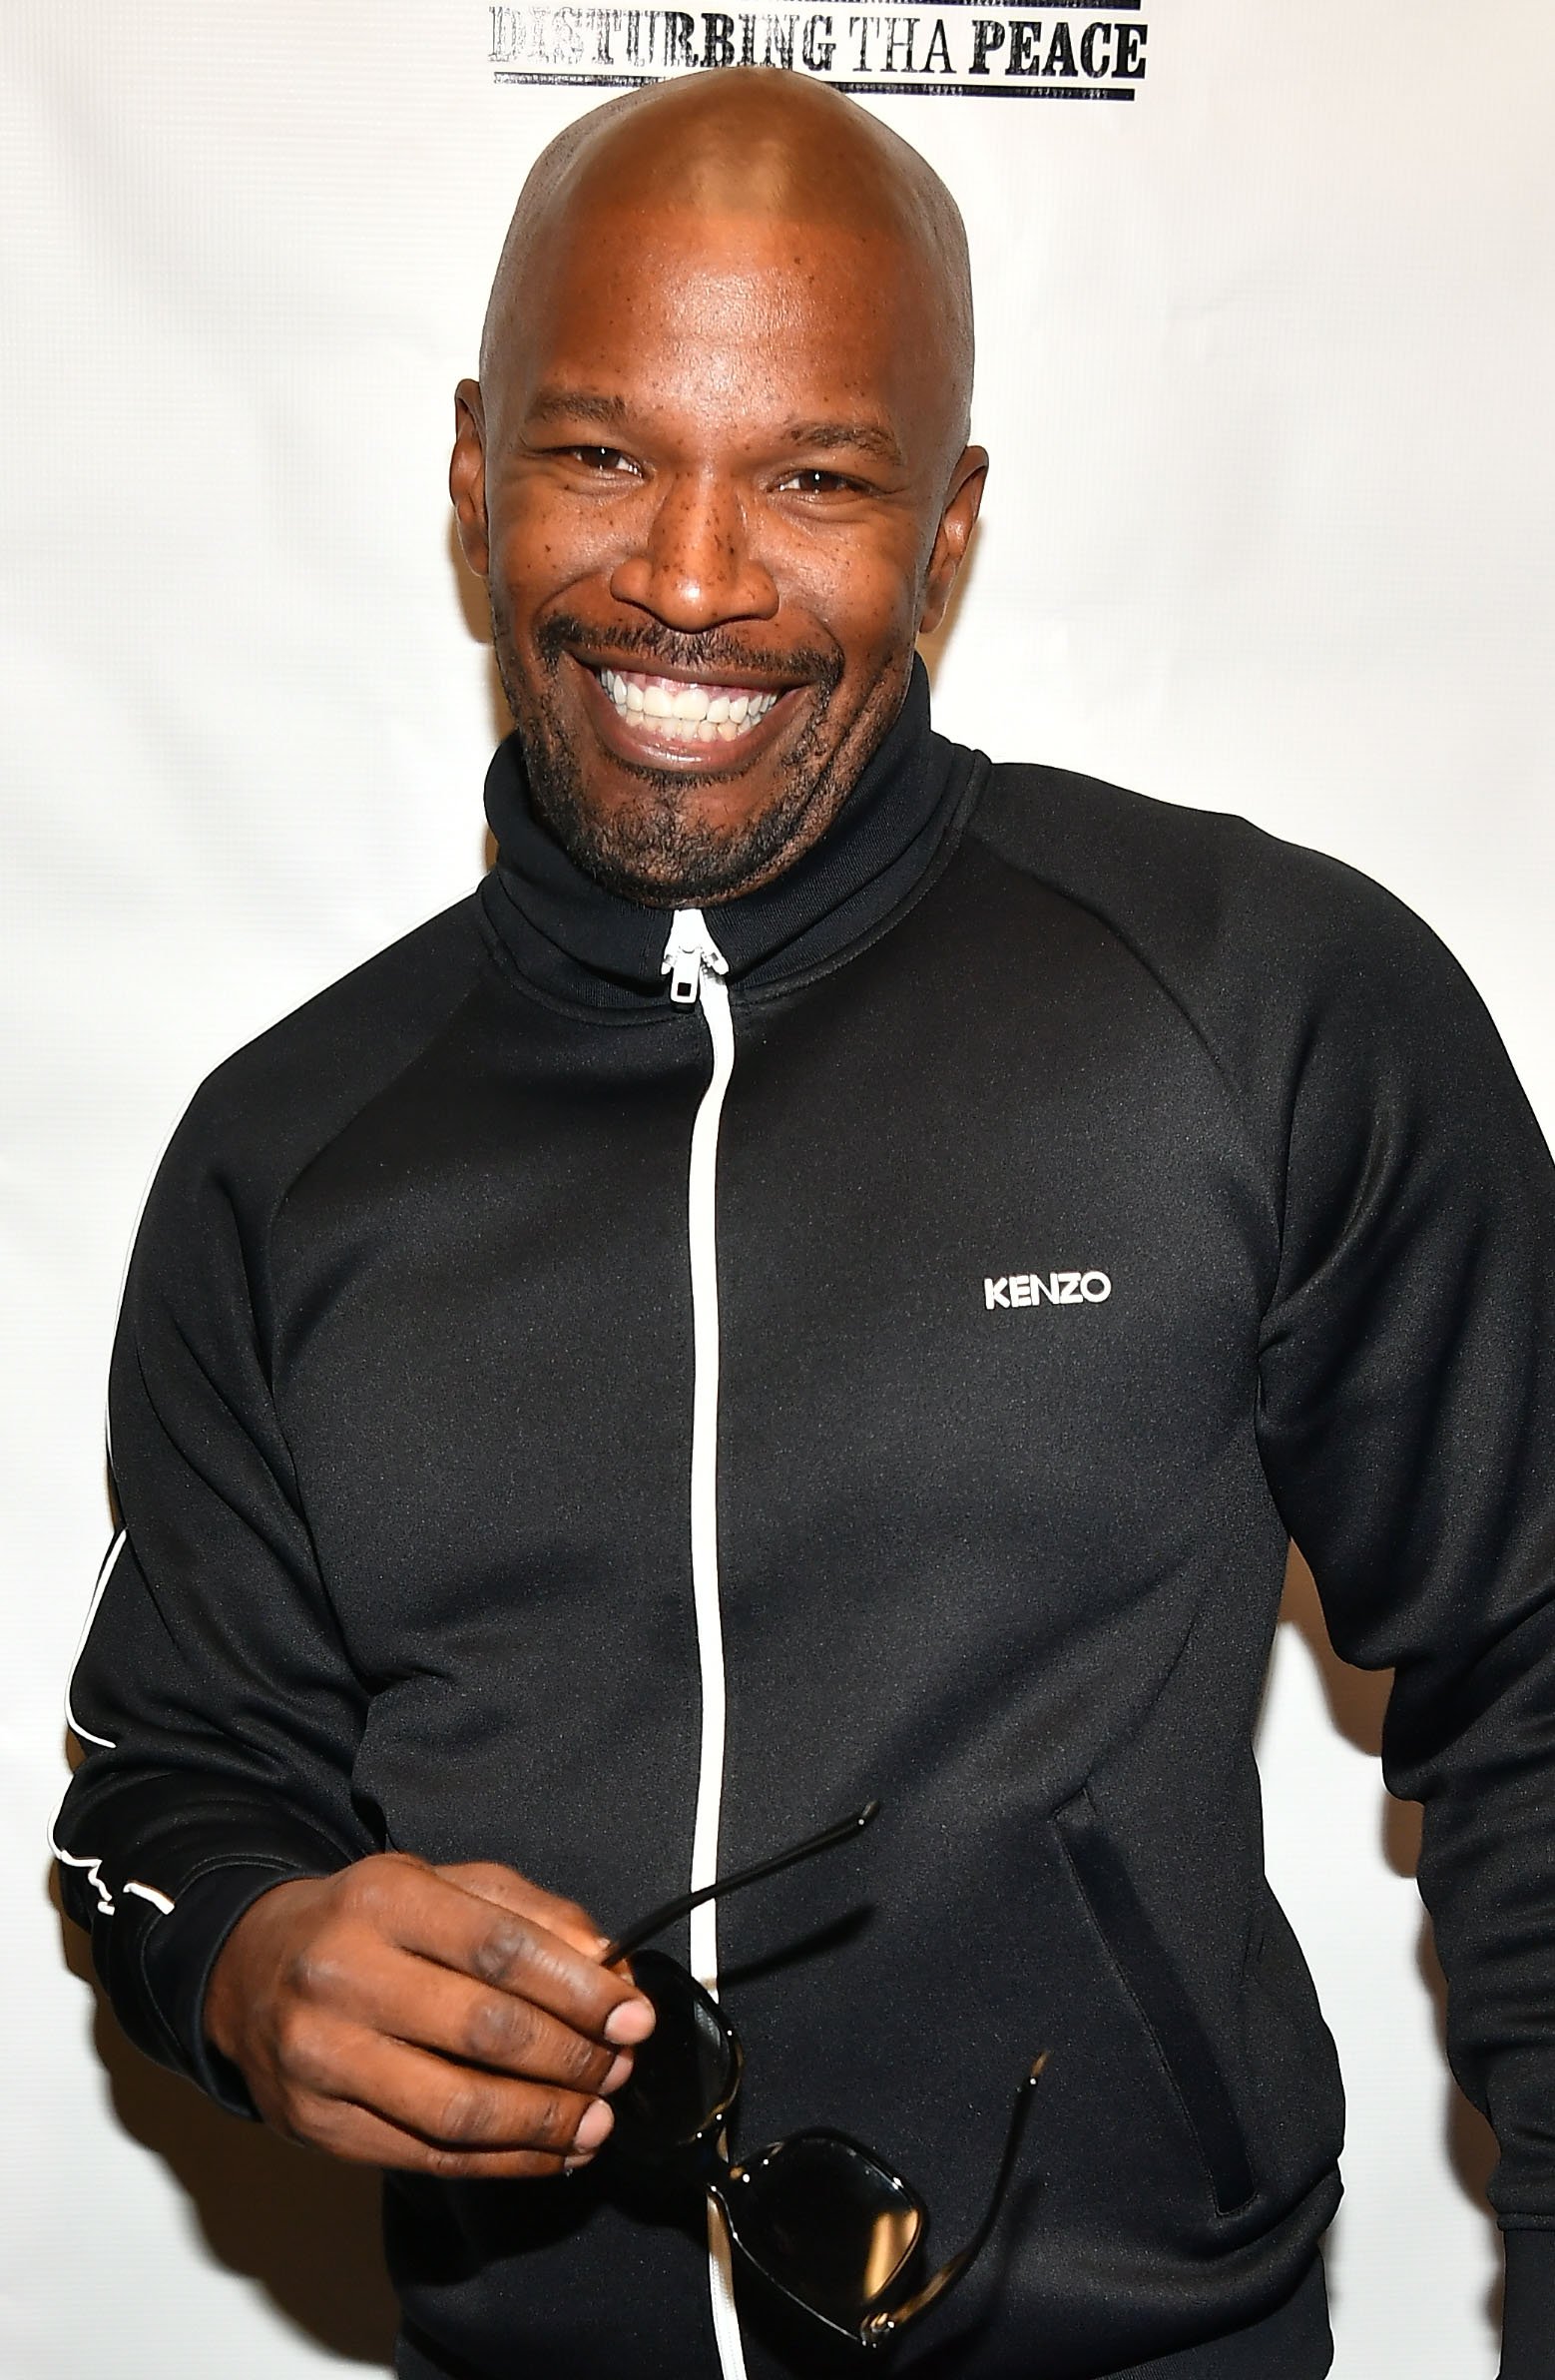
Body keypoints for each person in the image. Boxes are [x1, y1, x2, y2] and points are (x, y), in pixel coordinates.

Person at [53, 63, 1555, 2380]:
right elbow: (167, 1787)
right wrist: (254, 1955)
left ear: (943, 529)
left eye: (813, 479)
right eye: (602, 452)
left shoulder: (1254, 1009)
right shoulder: (291, 1151)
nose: (687, 576)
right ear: (473, 473)